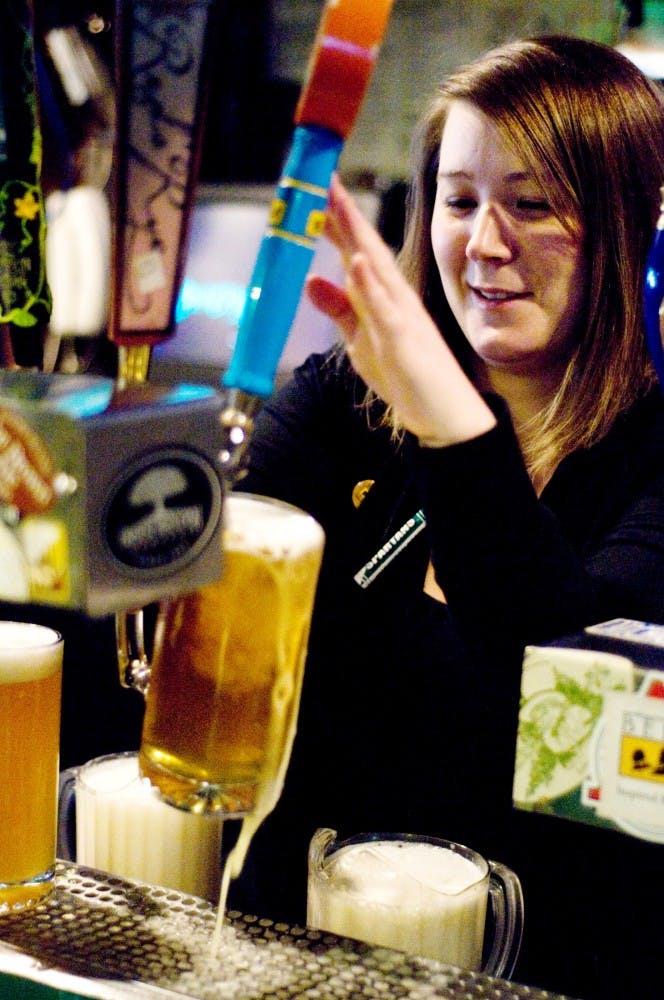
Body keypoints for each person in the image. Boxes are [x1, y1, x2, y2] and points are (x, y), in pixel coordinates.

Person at [227, 35, 664, 1000]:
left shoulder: (652, 456)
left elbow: (570, 717)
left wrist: (456, 434)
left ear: (625, 224)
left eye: (533, 203)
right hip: (300, 951)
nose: (484, 244)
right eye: (460, 201)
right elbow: (218, 562)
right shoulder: (350, 398)